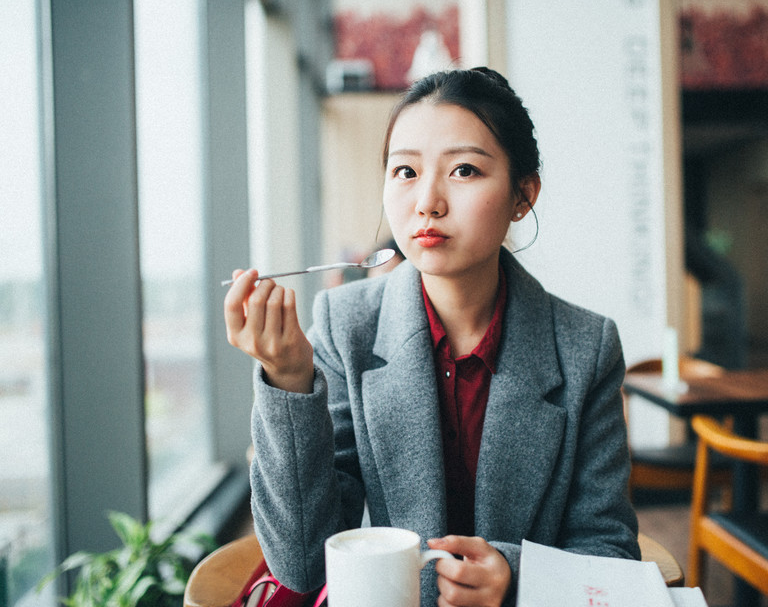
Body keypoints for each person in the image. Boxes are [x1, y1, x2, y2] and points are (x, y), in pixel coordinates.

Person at [224, 67, 641, 607]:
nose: (427, 201)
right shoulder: (344, 325)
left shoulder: (587, 348)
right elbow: (304, 562)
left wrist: (514, 578)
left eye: (464, 170)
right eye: (404, 171)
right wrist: (288, 381)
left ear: (523, 195)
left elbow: (608, 551)